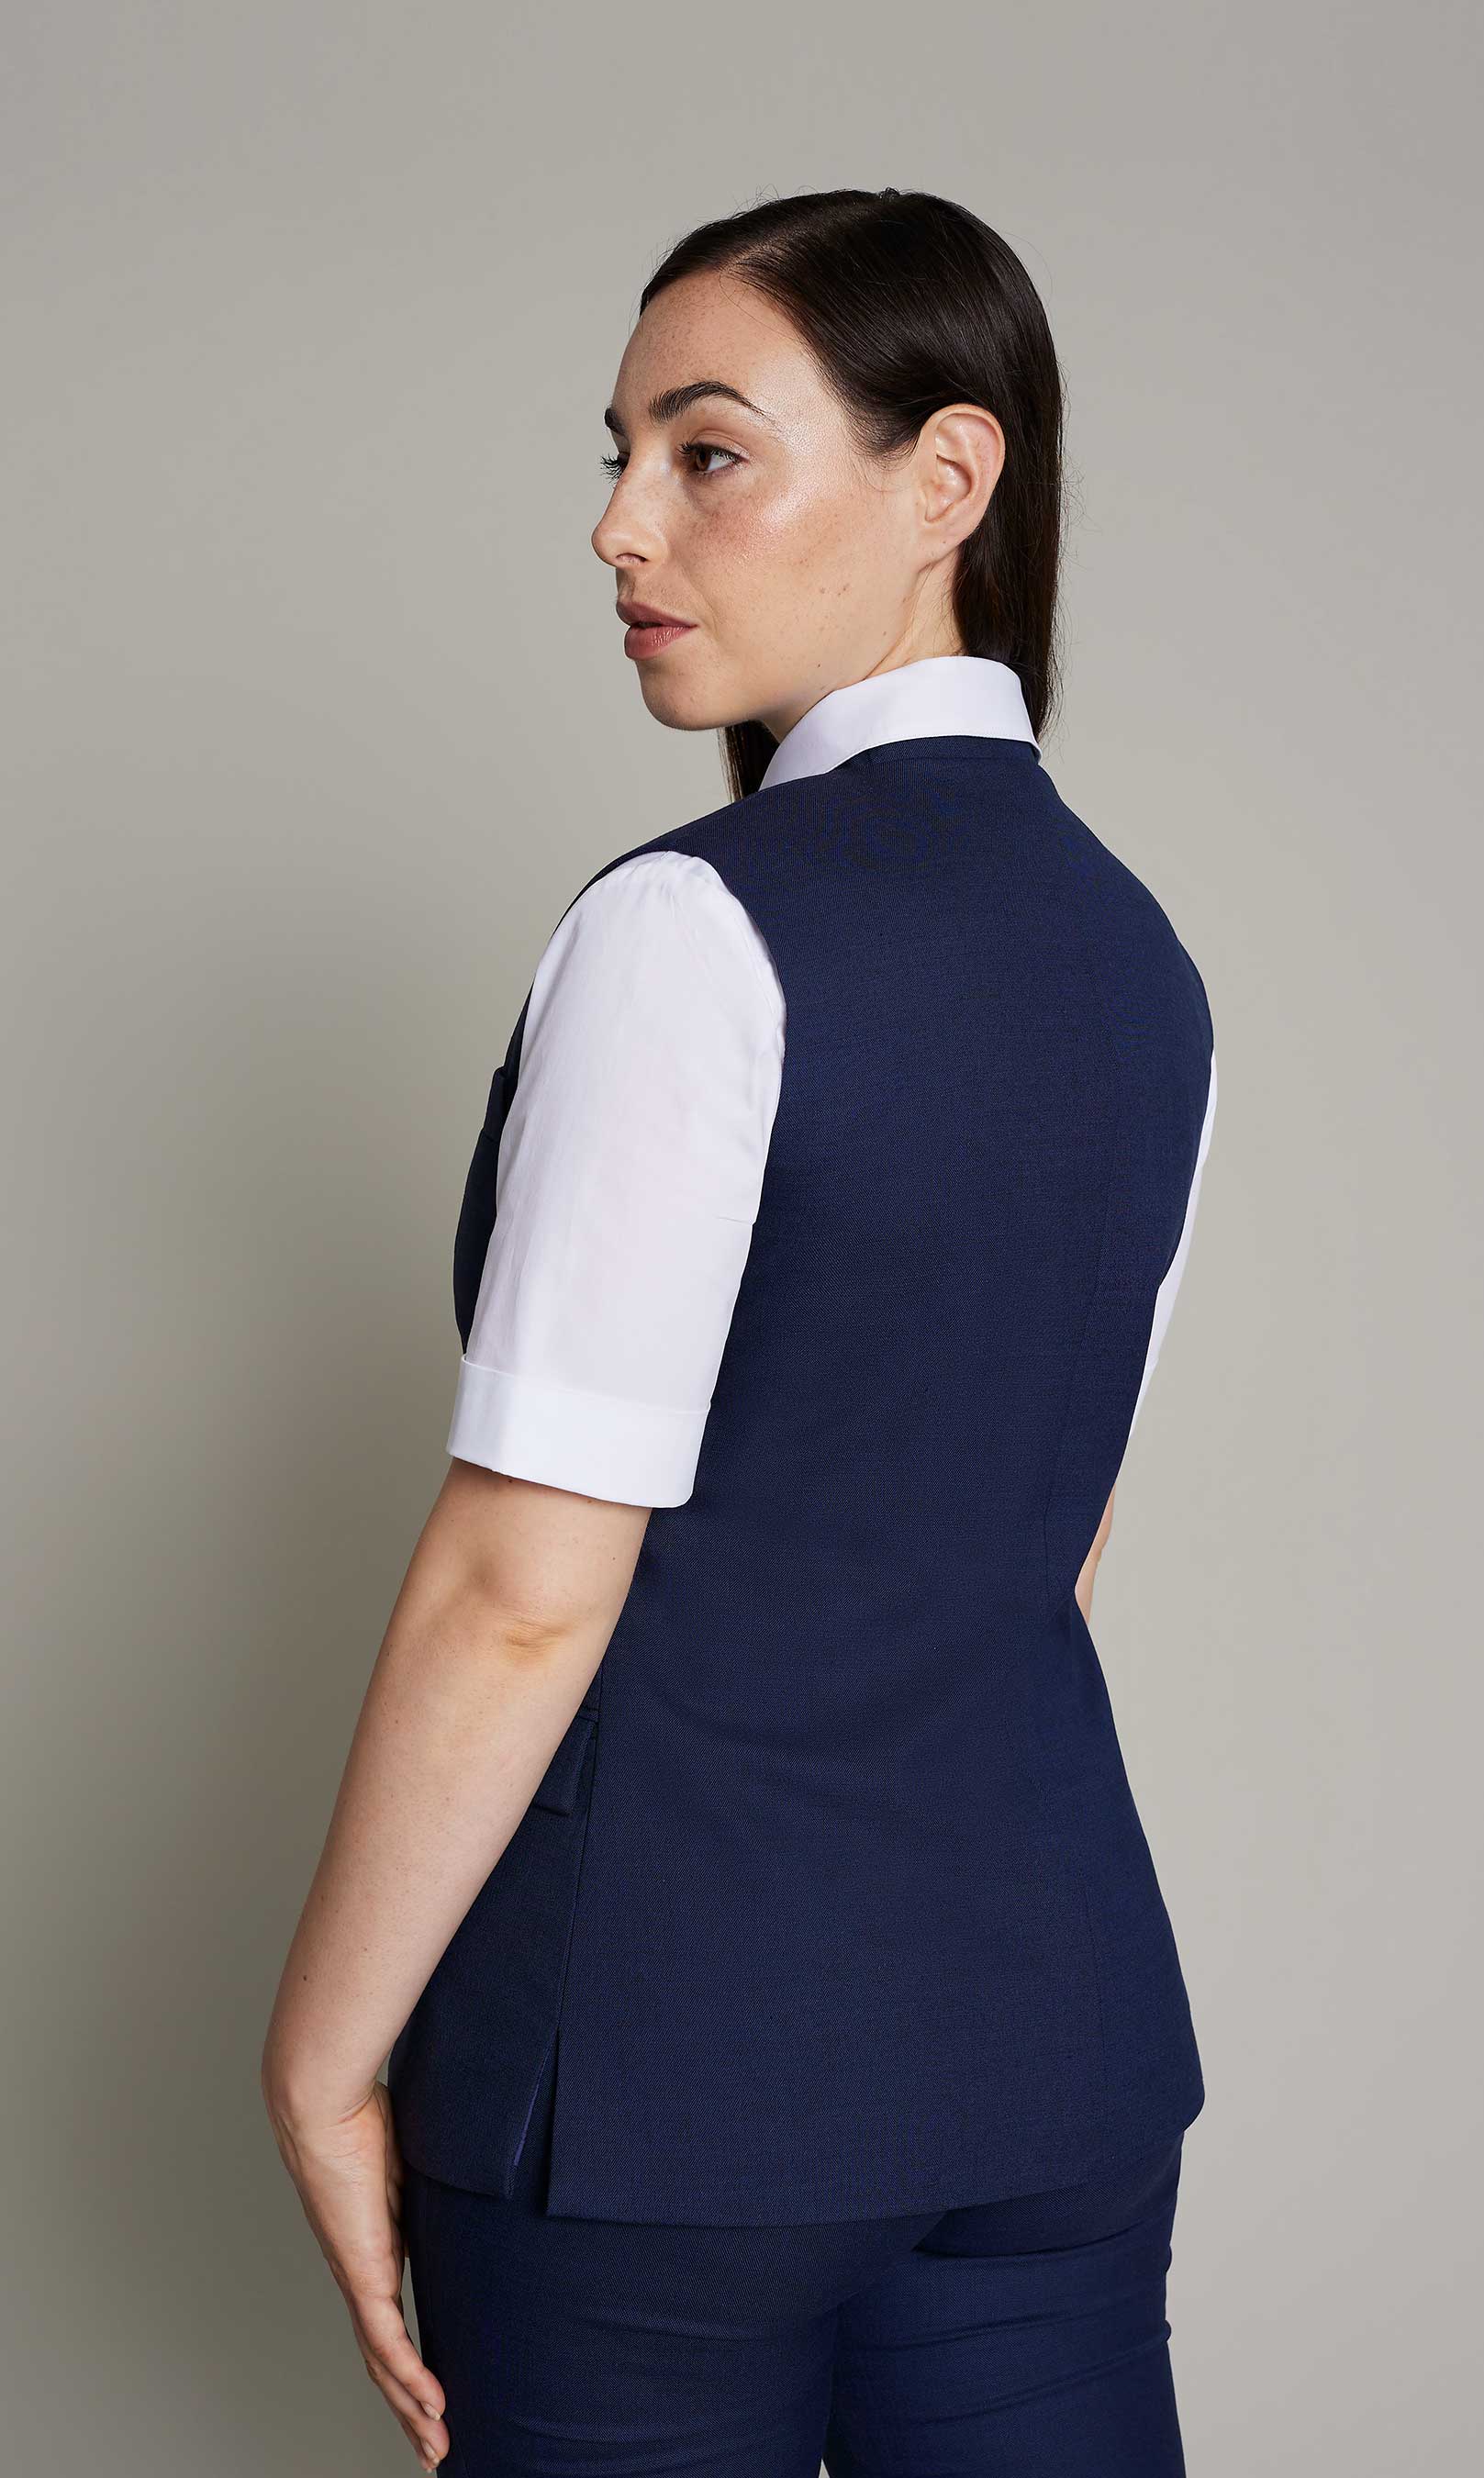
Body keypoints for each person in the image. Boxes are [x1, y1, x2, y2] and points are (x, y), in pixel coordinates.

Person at [262, 186, 1220, 2478]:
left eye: (705, 454)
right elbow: (1051, 1542)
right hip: (1053, 2042)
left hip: (664, 2083)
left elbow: (526, 1588)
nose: (621, 524)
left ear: (948, 478)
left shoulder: (691, 929)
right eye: (617, 456)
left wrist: (320, 2050)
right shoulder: (1141, 961)